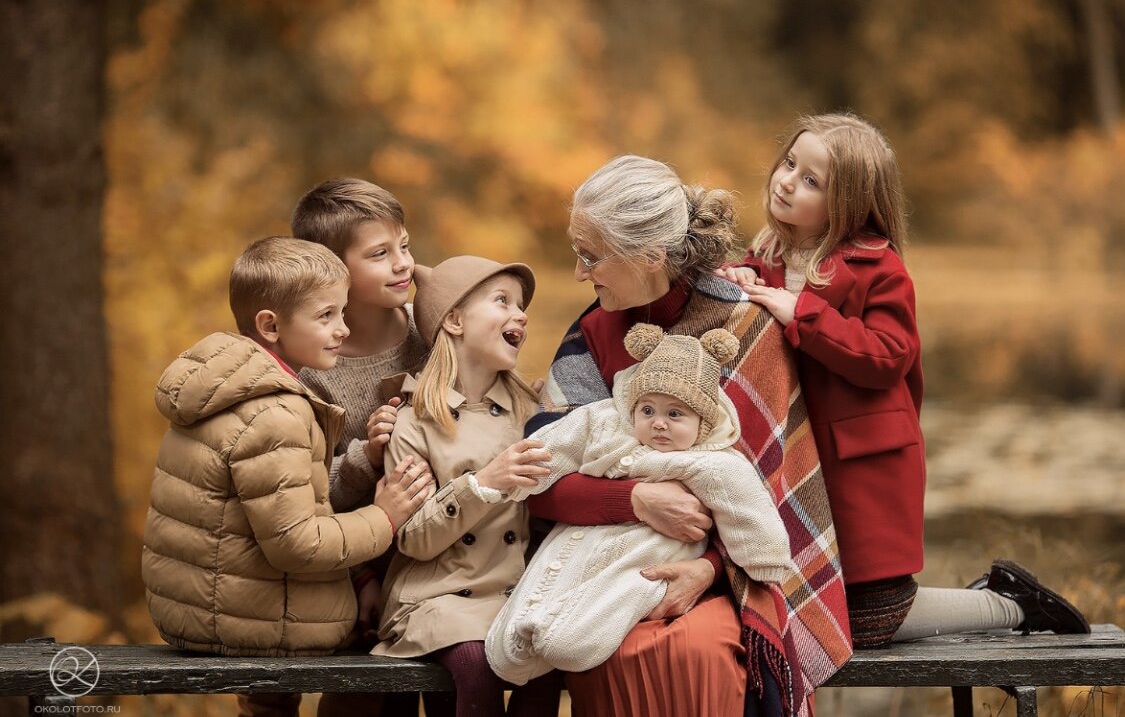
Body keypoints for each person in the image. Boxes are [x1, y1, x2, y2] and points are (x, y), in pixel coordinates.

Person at [715, 112, 1090, 648]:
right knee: (795, 600)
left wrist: (801, 313)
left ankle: (1007, 604)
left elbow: (888, 354)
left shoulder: (880, 268)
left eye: (812, 181)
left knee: (870, 621)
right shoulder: (769, 255)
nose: (787, 181)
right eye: (790, 163)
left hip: (861, 462)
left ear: (851, 205)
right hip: (797, 456)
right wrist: (740, 279)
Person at [527, 155, 852, 717]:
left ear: (652, 255)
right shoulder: (594, 332)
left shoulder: (747, 328)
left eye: (591, 255)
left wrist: (706, 570)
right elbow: (536, 478)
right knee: (605, 646)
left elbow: (774, 496)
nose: (580, 273)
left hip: (731, 573)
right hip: (606, 564)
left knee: (699, 651)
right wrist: (633, 498)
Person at [140, 237, 433, 717]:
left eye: (342, 313)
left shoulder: (226, 383)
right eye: (326, 317)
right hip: (247, 619)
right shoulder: (276, 413)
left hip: (198, 609)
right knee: (398, 630)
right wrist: (386, 516)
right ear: (270, 326)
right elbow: (298, 543)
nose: (342, 330)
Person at [486, 323, 794, 685]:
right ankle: (525, 639)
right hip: (580, 541)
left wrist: (766, 562)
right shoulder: (607, 426)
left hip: (646, 556)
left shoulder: (716, 464)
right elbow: (558, 443)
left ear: (703, 423)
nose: (659, 423)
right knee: (506, 655)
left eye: (675, 414)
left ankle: (639, 597)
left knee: (567, 643)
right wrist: (521, 476)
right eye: (648, 410)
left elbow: (751, 514)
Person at [373, 256, 562, 717]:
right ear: (454, 320)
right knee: (475, 661)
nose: (520, 315)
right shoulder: (413, 421)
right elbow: (413, 538)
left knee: (549, 661)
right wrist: (482, 484)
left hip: (512, 592)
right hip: (437, 596)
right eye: (502, 301)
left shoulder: (529, 411)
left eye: (521, 307)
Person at [290, 177, 431, 715]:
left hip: (450, 558)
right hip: (361, 564)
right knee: (368, 698)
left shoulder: (435, 330)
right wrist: (366, 457)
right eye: (380, 254)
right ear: (332, 269)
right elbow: (308, 496)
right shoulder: (316, 367)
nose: (404, 265)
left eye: (405, 246)